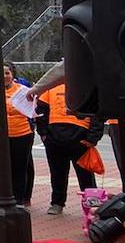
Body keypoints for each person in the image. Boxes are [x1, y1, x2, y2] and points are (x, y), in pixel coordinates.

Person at [40, 82, 97, 216]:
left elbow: (97, 114)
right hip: (54, 138)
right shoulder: (50, 88)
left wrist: (92, 138)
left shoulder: (88, 87)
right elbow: (41, 109)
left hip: (81, 139)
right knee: (57, 173)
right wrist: (43, 134)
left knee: (86, 175)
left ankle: (91, 204)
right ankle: (57, 203)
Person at [4, 63, 36, 208]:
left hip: (22, 133)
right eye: (1, 73)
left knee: (20, 167)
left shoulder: (22, 90)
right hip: (2, 136)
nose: (4, 76)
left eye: (7, 73)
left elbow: (31, 110)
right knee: (5, 167)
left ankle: (20, 199)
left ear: (12, 74)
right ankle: (7, 196)